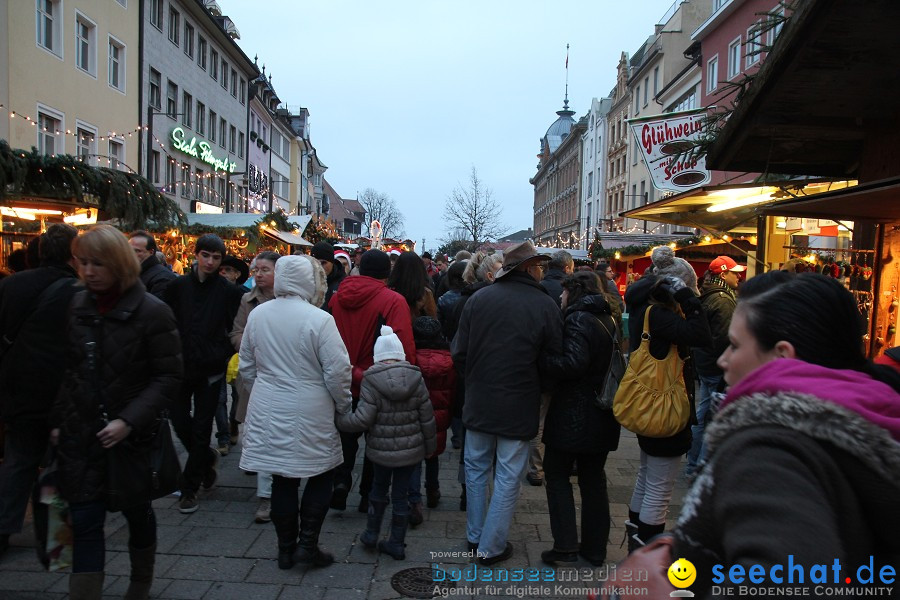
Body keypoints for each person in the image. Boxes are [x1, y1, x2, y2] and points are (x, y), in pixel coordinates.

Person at [673, 274, 900, 597]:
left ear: (781, 356)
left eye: (735, 346)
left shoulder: (770, 448)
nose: (724, 360)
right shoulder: (868, 423)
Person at [52, 225, 182, 599]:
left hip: (131, 440)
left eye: (99, 264)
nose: (89, 272)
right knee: (85, 520)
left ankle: (140, 581)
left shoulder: (152, 312)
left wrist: (130, 420)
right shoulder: (77, 305)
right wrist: (59, 421)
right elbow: (70, 369)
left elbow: (168, 376)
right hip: (82, 434)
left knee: (137, 513)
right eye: (84, 263)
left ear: (119, 264)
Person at [452, 240, 562, 565]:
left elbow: (459, 353)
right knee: (507, 474)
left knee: (475, 468)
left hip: (480, 399)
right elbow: (553, 359)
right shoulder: (545, 305)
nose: (542, 270)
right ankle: (490, 545)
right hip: (520, 400)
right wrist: (540, 390)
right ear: (528, 269)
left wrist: (475, 380)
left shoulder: (480, 299)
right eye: (539, 265)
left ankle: (476, 537)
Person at [238, 255, 351, 570]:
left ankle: (285, 549)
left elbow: (246, 365)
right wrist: (343, 404)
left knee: (282, 478)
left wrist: (262, 390)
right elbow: (337, 371)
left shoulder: (259, 315)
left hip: (269, 404)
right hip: (310, 406)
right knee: (321, 473)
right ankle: (307, 546)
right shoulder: (318, 319)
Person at [623, 246, 711, 549]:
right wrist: (689, 297)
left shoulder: (642, 309)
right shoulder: (661, 316)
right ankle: (645, 550)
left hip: (649, 405)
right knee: (660, 488)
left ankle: (635, 537)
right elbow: (702, 335)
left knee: (647, 476)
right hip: (664, 409)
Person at [0, 224, 80, 558]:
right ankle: (55, 539)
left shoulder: (11, 284)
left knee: (18, 459)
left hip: (18, 388)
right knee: (58, 466)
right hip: (62, 391)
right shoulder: (78, 290)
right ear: (73, 255)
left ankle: (3, 528)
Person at [539, 271, 621, 567]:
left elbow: (573, 364)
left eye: (562, 293)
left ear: (573, 291)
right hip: (602, 412)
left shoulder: (577, 318)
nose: (560, 298)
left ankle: (565, 547)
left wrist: (543, 360)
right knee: (593, 479)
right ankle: (595, 549)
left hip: (575, 412)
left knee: (557, 473)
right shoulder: (608, 317)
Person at [338, 325, 436, 560]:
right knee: (401, 497)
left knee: (378, 490)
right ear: (401, 354)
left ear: (377, 356)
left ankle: (372, 533)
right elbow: (427, 417)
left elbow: (363, 419)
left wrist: (340, 420)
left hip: (381, 451)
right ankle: (397, 543)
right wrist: (429, 449)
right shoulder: (416, 377)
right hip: (410, 453)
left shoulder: (371, 380)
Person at [328, 249, 416, 513]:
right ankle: (369, 494)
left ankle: (341, 482)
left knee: (345, 434)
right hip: (377, 381)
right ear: (387, 273)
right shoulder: (392, 300)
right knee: (376, 441)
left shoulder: (336, 298)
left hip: (343, 377)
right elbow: (403, 345)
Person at [163, 234, 244, 514]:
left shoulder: (228, 292)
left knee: (201, 428)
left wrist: (223, 351)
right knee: (179, 421)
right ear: (196, 255)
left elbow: (238, 324)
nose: (209, 262)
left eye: (216, 257)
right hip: (179, 366)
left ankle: (190, 487)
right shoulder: (177, 287)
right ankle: (205, 461)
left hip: (210, 368)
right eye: (205, 255)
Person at [227, 251, 280, 523]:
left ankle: (268, 494)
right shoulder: (246, 300)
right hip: (254, 373)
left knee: (274, 436)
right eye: (255, 269)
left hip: (281, 375)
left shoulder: (288, 301)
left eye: (264, 269)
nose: (258, 274)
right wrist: (247, 346)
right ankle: (265, 494)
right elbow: (236, 332)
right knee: (258, 432)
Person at [686, 255, 745, 478]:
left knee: (703, 416)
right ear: (723, 273)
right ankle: (699, 467)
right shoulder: (723, 299)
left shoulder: (710, 295)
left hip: (705, 364)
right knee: (710, 419)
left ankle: (693, 463)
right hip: (714, 368)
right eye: (734, 272)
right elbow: (723, 338)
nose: (739, 276)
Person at [407, 316, 456, 516]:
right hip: (439, 416)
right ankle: (433, 490)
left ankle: (414, 500)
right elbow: (453, 390)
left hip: (414, 415)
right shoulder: (448, 361)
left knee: (414, 458)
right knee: (433, 455)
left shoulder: (410, 358)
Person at [388, 251, 437, 325]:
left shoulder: (389, 289)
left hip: (392, 332)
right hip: (417, 334)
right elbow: (433, 321)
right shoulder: (425, 293)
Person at [129, 231, 176, 299]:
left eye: (137, 251)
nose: (131, 254)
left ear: (151, 252)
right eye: (129, 250)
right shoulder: (131, 273)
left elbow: (157, 307)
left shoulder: (162, 278)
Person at [310, 241, 346, 311]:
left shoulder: (343, 284)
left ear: (332, 262)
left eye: (323, 263)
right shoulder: (308, 282)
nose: (319, 267)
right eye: (316, 263)